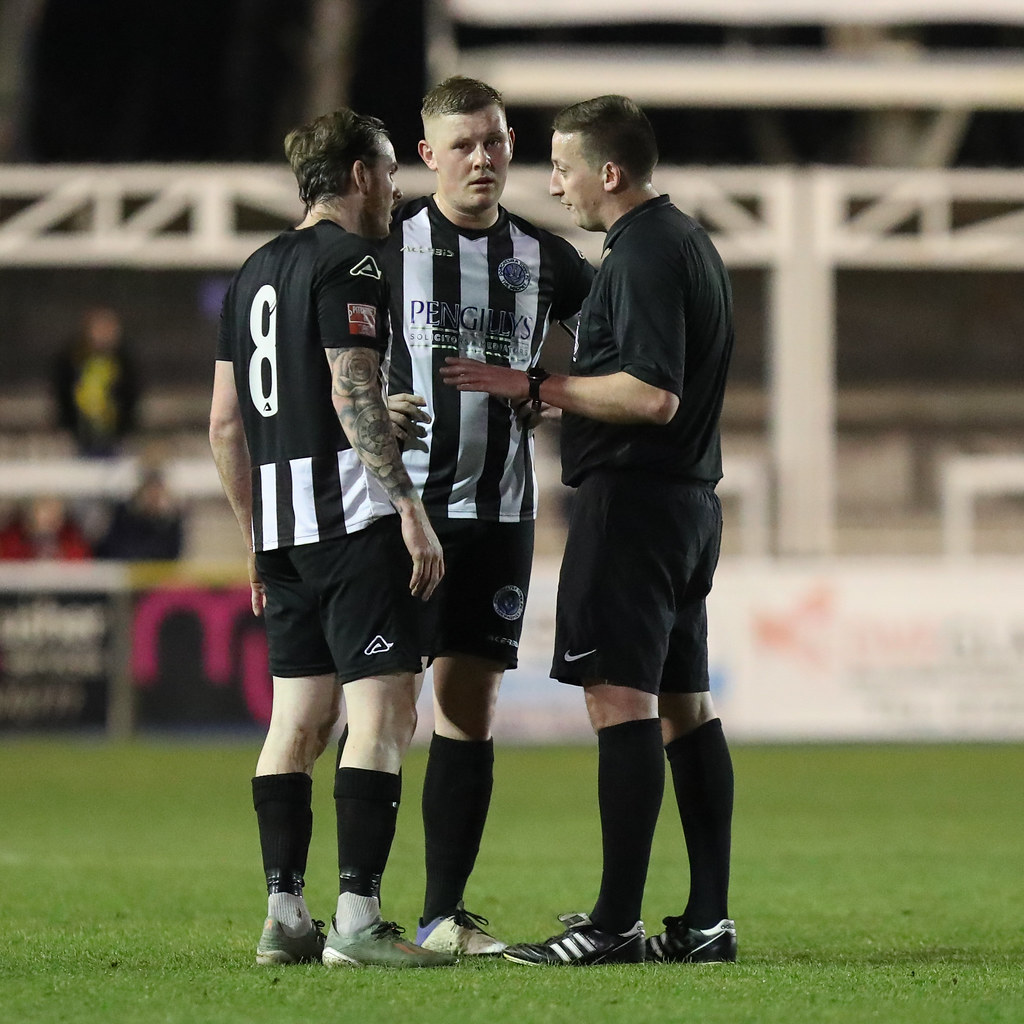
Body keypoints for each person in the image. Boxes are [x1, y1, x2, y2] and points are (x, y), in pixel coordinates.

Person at [441, 94, 737, 966]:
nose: (554, 183)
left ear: (609, 173)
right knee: (686, 708)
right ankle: (708, 921)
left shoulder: (642, 252)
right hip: (687, 507)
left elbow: (649, 393)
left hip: (635, 504)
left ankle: (613, 924)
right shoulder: (687, 241)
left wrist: (532, 387)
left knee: (622, 704)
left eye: (564, 166)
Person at [209, 107, 453, 969]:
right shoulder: (349, 262)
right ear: (356, 175)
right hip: (350, 525)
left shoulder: (250, 273)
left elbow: (226, 427)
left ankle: (284, 916)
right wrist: (411, 511)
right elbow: (354, 392)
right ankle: (356, 919)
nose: (396, 188)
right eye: (389, 170)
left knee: (297, 720)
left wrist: (253, 537)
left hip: (280, 533)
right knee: (382, 713)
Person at [368, 75, 595, 956]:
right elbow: (329, 351)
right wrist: (363, 405)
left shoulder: (545, 258)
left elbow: (618, 340)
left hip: (500, 514)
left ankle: (440, 916)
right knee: (383, 708)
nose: (483, 158)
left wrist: (555, 392)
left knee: (471, 704)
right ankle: (358, 907)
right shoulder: (383, 251)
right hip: (401, 511)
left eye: (496, 140)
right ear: (427, 156)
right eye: (462, 143)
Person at [52, 306, 140, 457]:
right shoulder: (73, 358)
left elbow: (131, 394)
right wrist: (66, 426)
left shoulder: (123, 361)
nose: (105, 334)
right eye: (100, 328)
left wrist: (127, 428)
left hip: (115, 436)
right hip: (80, 434)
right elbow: (63, 392)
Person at [94, 469, 184, 561]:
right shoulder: (123, 519)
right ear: (141, 493)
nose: (153, 498)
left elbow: (171, 555)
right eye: (150, 493)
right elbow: (112, 550)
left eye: (157, 494)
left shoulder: (169, 526)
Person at [0, 495, 92, 560]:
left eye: (57, 504)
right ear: (29, 509)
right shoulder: (10, 543)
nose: (52, 512)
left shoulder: (73, 541)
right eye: (44, 504)